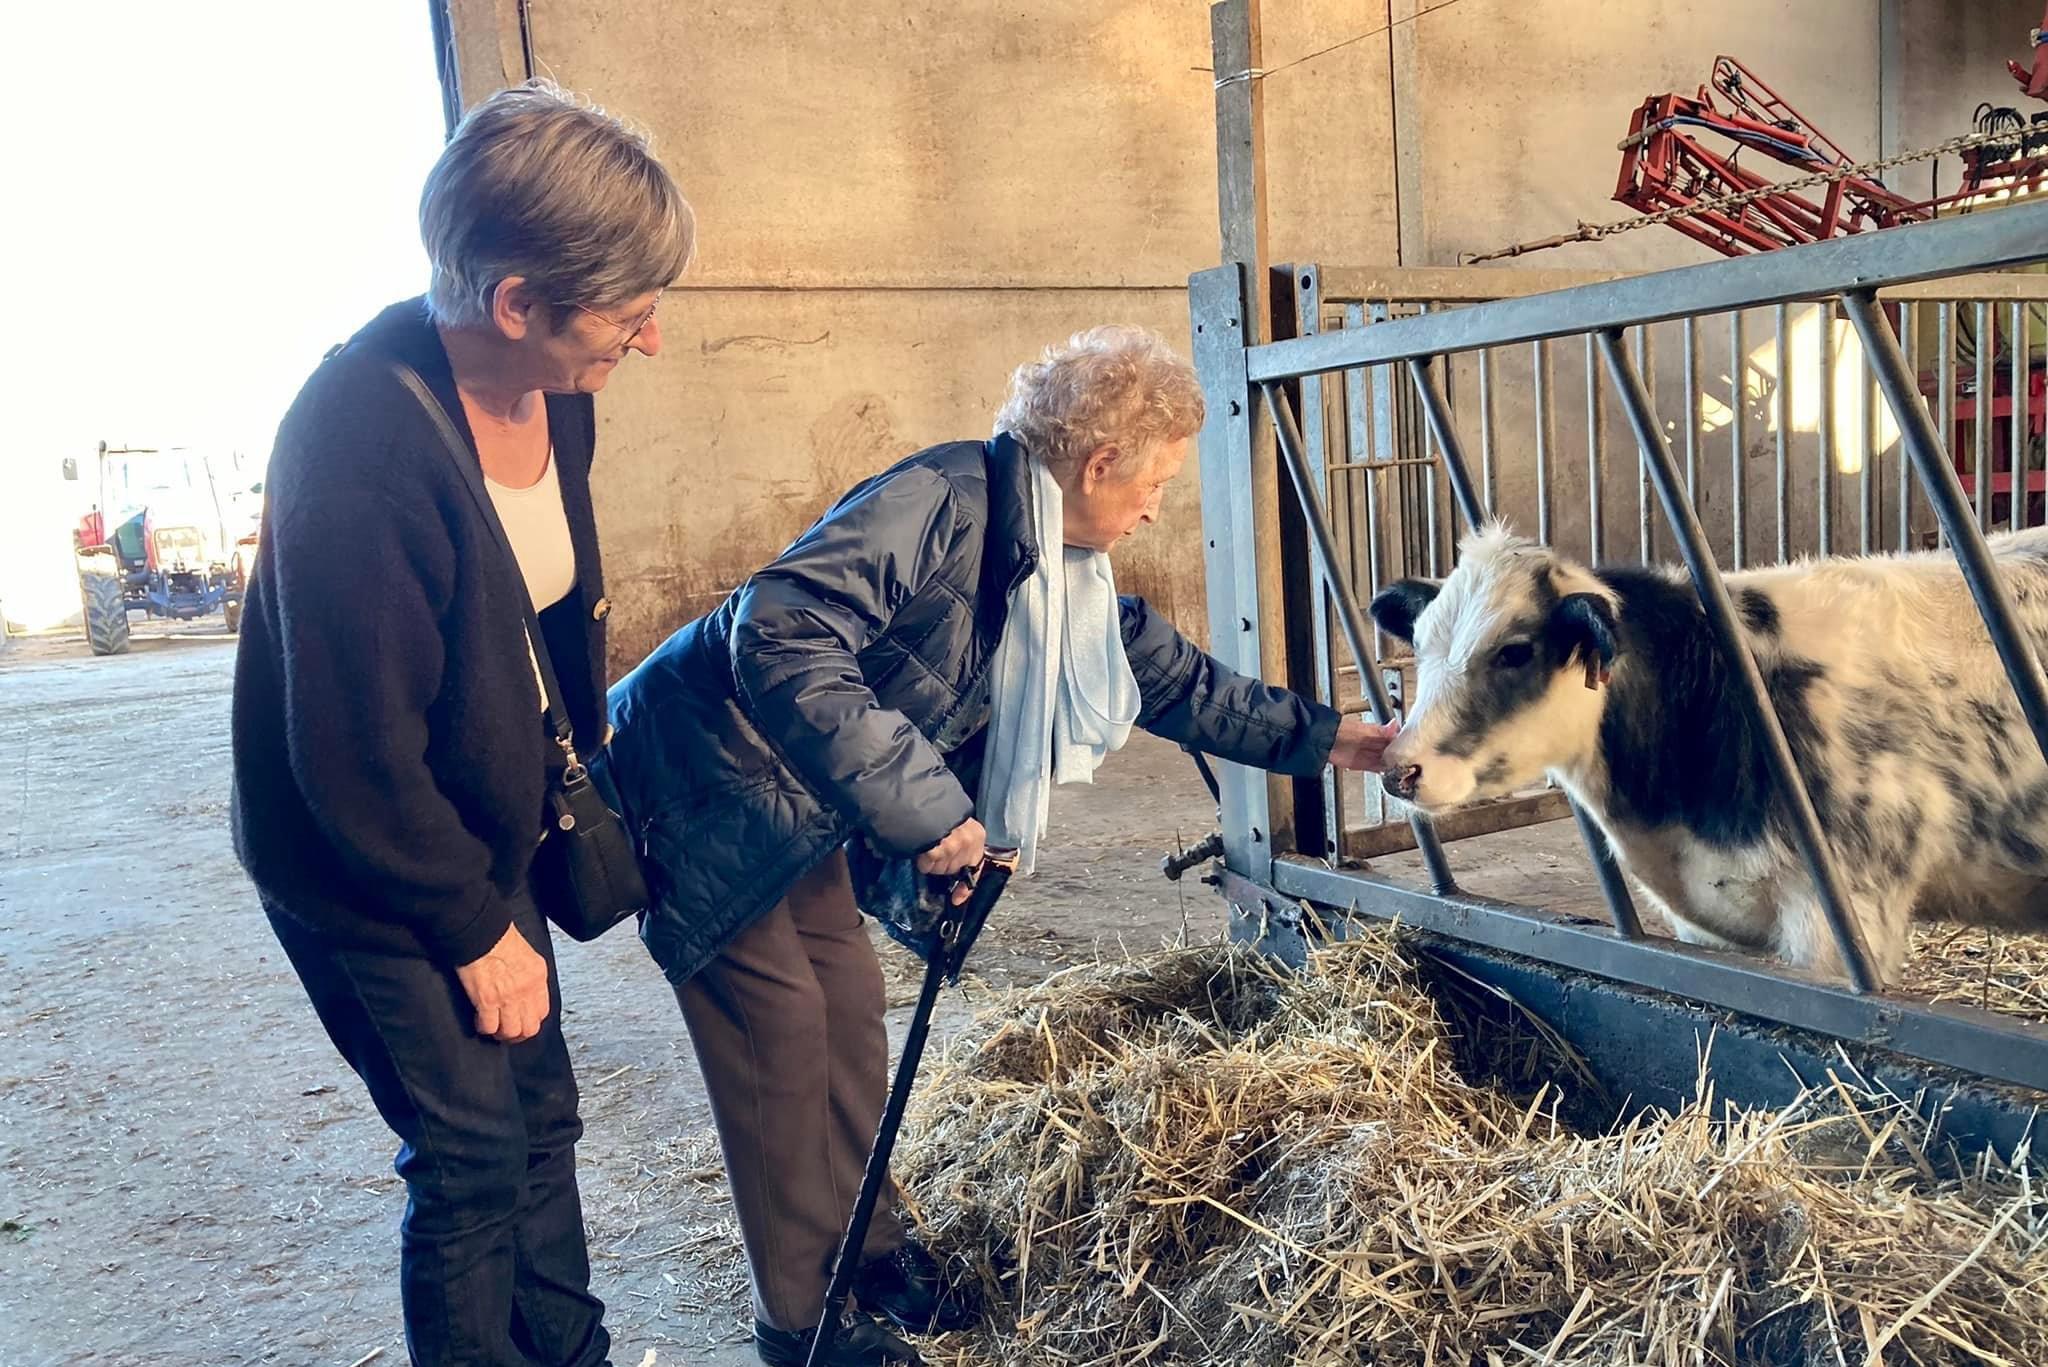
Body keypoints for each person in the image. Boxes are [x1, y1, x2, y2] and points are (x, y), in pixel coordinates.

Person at [599, 325, 1397, 1366]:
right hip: (700, 775)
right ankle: (799, 1319)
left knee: (843, 1006)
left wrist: (1347, 742)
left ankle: (869, 1247)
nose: (1157, 504)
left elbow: (1183, 685)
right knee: (776, 1032)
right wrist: (926, 804)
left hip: (803, 791)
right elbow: (777, 627)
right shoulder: (940, 501)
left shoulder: (1062, 574)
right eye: (1152, 479)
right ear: (1096, 464)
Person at [230, 80, 693, 1367]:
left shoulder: (560, 389)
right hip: (360, 851)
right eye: (628, 311)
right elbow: (350, 758)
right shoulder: (359, 441)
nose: (646, 340)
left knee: (541, 1121)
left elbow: (539, 618)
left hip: (470, 824)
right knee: (473, 1150)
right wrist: (472, 924)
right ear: (514, 302)